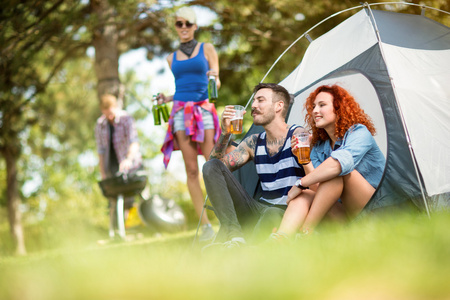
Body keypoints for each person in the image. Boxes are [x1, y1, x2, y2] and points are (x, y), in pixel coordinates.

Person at [270, 84, 386, 240]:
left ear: (338, 108)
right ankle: (280, 238)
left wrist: (299, 183)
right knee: (305, 195)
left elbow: (337, 166)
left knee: (339, 171)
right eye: (313, 107)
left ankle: (304, 233)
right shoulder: (319, 148)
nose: (315, 111)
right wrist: (304, 160)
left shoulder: (359, 132)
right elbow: (318, 189)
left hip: (377, 212)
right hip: (346, 218)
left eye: (322, 105)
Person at [201, 83, 306, 249]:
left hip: (285, 213)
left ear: (279, 106)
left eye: (260, 100)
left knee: (271, 213)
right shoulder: (254, 142)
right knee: (210, 166)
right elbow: (214, 167)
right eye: (254, 101)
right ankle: (234, 237)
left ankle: (243, 249)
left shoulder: (299, 135)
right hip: (256, 209)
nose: (254, 105)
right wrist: (225, 133)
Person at [158, 6, 221, 242]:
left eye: (187, 23)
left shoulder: (207, 49)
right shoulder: (170, 58)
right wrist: (167, 98)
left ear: (195, 26)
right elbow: (182, 88)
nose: (183, 28)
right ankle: (205, 227)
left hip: (203, 110)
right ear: (176, 27)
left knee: (212, 166)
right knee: (192, 170)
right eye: (179, 24)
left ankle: (227, 216)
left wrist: (213, 78)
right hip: (180, 114)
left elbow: (216, 79)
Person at [95, 94, 143, 214]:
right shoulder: (100, 125)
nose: (110, 117)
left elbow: (134, 142)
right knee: (116, 201)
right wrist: (103, 173)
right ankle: (120, 228)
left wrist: (128, 159)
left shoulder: (127, 119)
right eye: (107, 114)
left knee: (138, 195)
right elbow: (101, 151)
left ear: (115, 107)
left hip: (132, 164)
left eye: (111, 113)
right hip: (113, 166)